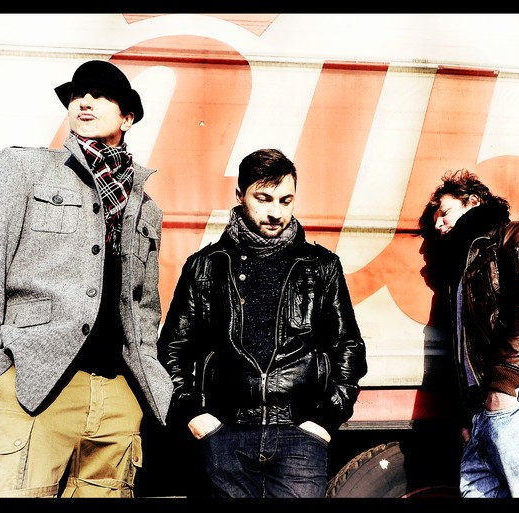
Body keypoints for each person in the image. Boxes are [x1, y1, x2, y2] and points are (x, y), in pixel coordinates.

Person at [0, 59, 172, 497]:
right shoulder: (24, 168)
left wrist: (142, 384)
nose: (85, 101)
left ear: (127, 118)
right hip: (33, 384)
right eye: (77, 95)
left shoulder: (146, 207)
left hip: (117, 397)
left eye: (100, 95)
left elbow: (144, 305)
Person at [157, 148, 368, 498]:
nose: (275, 213)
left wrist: (324, 421)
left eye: (286, 201)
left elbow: (348, 347)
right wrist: (193, 415)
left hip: (299, 435)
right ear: (240, 196)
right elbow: (173, 349)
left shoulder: (320, 266)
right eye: (263, 199)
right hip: (225, 433)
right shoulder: (205, 265)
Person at [418, 169, 519, 498]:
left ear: (473, 202)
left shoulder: (515, 235)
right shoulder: (461, 270)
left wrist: (504, 384)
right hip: (486, 410)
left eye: (445, 213)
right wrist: (470, 415)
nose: (438, 225)